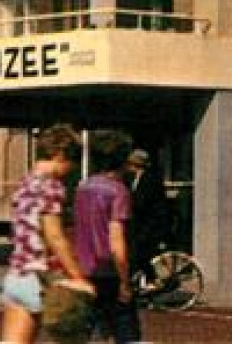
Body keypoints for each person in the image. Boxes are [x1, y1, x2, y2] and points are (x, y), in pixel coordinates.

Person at [1, 124, 93, 344]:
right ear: (60, 155)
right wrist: (78, 278)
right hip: (42, 279)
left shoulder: (26, 182)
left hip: (17, 276)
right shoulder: (51, 185)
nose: (71, 169)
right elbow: (55, 237)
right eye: (71, 161)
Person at [74, 130, 140, 344]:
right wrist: (124, 281)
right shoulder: (118, 191)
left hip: (85, 267)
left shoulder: (82, 188)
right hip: (109, 271)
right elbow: (116, 239)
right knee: (126, 334)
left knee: (96, 331)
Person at [124, 149, 172, 282]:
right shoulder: (133, 179)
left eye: (131, 164)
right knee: (134, 253)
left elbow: (145, 202)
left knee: (139, 254)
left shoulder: (151, 179)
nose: (128, 167)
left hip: (151, 224)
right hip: (139, 224)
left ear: (137, 164)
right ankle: (143, 281)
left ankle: (153, 281)